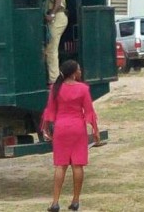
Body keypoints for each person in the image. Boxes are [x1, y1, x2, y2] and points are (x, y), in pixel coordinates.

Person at [41, 60, 100, 212]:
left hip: (61, 128)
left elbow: (50, 111)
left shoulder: (55, 88)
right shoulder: (83, 89)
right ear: (74, 73)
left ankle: (55, 202)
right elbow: (89, 111)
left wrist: (46, 129)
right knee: (77, 165)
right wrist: (95, 130)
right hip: (77, 128)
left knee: (61, 165)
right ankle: (75, 201)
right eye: (79, 70)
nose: (80, 72)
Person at [42, 0, 68, 85]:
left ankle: (54, 80)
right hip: (59, 17)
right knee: (49, 48)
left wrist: (51, 14)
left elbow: (57, 0)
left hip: (57, 17)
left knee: (51, 49)